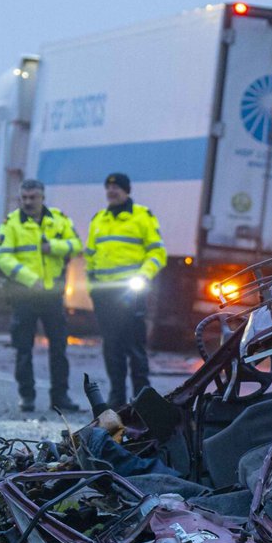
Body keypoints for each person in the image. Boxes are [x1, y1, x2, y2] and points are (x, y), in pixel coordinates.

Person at [0, 179, 81, 413]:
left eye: (33, 197)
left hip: (52, 295)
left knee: (59, 348)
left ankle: (60, 396)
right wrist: (30, 280)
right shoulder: (11, 224)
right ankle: (27, 396)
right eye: (24, 198)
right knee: (23, 348)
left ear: (42, 197)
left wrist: (52, 246)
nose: (29, 202)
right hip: (24, 295)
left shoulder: (58, 220)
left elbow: (76, 245)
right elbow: (3, 257)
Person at [86, 172, 166, 404]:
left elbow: (157, 252)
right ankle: (117, 398)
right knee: (112, 348)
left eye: (117, 187)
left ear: (127, 190)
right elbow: (90, 256)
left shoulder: (142, 217)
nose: (112, 191)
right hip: (105, 295)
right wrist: (93, 286)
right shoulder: (99, 219)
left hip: (131, 294)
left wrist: (143, 275)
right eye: (109, 187)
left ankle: (143, 399)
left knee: (135, 348)